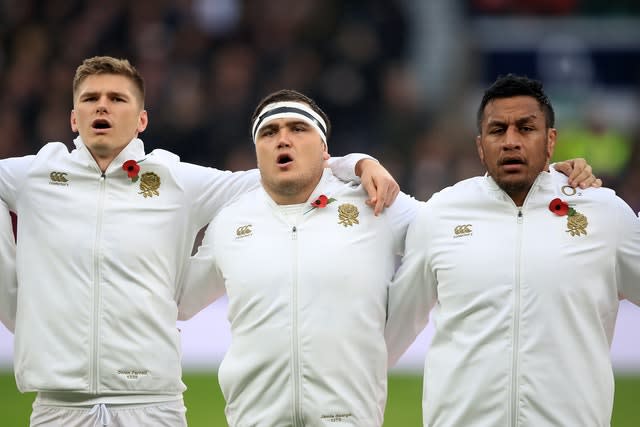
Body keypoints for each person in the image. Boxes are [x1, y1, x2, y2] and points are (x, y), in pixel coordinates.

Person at [0, 56, 401, 427]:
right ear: (74, 117)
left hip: (153, 404)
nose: (101, 107)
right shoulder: (35, 176)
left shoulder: (177, 181)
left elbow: (284, 171)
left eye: (116, 98)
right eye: (90, 99)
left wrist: (358, 162)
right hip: (57, 406)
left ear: (141, 119)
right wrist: (17, 307)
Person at [176, 89, 599, 427]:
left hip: (348, 417)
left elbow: (469, 218)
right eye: (269, 133)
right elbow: (179, 300)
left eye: (297, 129)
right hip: (254, 418)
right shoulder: (231, 222)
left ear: (325, 151)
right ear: (257, 152)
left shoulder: (375, 203)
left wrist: (540, 178)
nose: (282, 139)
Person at [385, 74, 640, 426]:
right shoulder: (441, 214)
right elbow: (391, 330)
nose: (510, 141)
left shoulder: (604, 214)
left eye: (526, 128)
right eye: (497, 130)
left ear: (551, 141)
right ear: (480, 145)